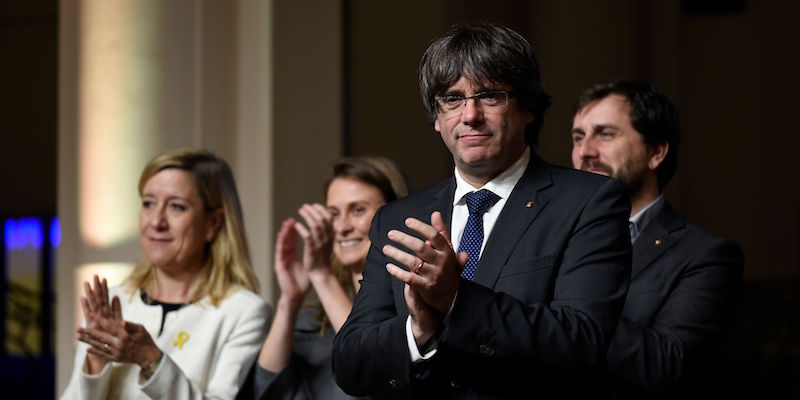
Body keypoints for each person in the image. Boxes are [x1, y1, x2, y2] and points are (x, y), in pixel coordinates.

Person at [331, 23, 632, 398]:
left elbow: (583, 341)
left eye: (489, 96)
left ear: (528, 107)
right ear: (437, 118)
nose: (470, 115)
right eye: (453, 99)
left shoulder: (590, 201)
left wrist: (455, 299)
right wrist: (417, 331)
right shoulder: (396, 220)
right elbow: (349, 363)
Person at [570, 80, 744, 398]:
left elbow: (669, 365)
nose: (585, 152)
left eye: (605, 134)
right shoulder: (554, 235)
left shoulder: (708, 256)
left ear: (655, 152)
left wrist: (567, 303)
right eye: (578, 137)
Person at [61, 148, 270, 399]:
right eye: (148, 203)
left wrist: (151, 360)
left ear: (213, 224)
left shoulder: (243, 312)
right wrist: (96, 363)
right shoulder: (112, 303)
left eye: (176, 207)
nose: (156, 221)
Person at [238, 156, 408, 400]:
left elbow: (378, 377)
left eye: (358, 210)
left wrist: (321, 274)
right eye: (334, 214)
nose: (342, 227)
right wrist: (289, 300)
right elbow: (263, 390)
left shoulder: (413, 309)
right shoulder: (311, 320)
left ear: (395, 212)